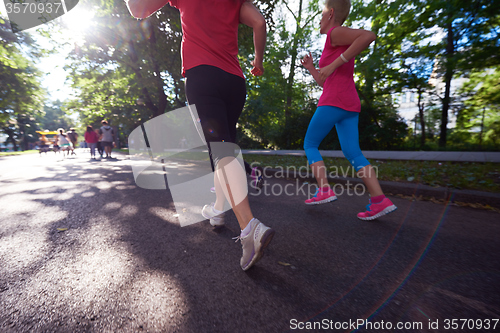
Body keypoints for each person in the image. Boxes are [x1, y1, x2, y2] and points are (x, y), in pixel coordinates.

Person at [127, 0, 274, 271]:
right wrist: (258, 60)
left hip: (202, 77)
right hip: (234, 82)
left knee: (222, 151)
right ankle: (218, 210)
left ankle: (249, 227)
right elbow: (260, 23)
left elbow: (137, 9)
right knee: (223, 149)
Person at [300, 0, 396, 220]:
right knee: (353, 153)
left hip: (334, 101)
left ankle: (324, 189)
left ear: (331, 13)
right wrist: (312, 68)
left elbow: (369, 36)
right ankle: (379, 200)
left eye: (322, 13)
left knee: (310, 144)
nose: (320, 18)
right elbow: (325, 81)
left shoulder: (335, 32)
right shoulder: (335, 39)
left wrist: (333, 64)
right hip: (348, 102)